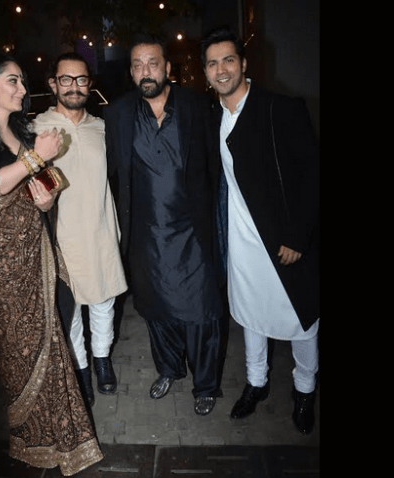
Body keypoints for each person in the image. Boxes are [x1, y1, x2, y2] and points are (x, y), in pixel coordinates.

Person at [0, 51, 104, 474]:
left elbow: (42, 187)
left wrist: (47, 196)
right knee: (18, 350)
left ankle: (62, 435)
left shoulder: (21, 132)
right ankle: (30, 438)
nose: (22, 89)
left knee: (54, 331)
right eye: (12, 80)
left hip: (36, 250)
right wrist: (35, 159)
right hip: (0, 264)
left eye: (23, 81)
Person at [200, 26, 320, 434]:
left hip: (283, 241)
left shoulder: (279, 108)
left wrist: (298, 236)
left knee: (301, 318)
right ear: (205, 72)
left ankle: (304, 391)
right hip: (241, 241)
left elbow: (312, 175)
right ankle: (256, 383)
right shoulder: (213, 117)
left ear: (244, 63)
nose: (221, 70)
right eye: (212, 63)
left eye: (228, 60)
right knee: (250, 315)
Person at [104, 33, 228, 416]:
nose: (146, 71)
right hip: (146, 235)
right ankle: (170, 369)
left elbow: (219, 165)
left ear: (167, 68)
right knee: (156, 310)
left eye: (153, 63)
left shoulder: (197, 106)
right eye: (137, 65)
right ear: (130, 72)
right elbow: (106, 169)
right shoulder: (118, 114)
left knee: (203, 311)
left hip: (193, 232)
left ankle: (205, 385)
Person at [32, 52, 127, 409]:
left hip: (101, 229)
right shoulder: (37, 129)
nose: (74, 86)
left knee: (103, 302)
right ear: (53, 83)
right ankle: (81, 370)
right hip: (63, 236)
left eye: (81, 79)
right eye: (66, 79)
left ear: (90, 84)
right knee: (69, 311)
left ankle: (102, 361)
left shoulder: (102, 128)